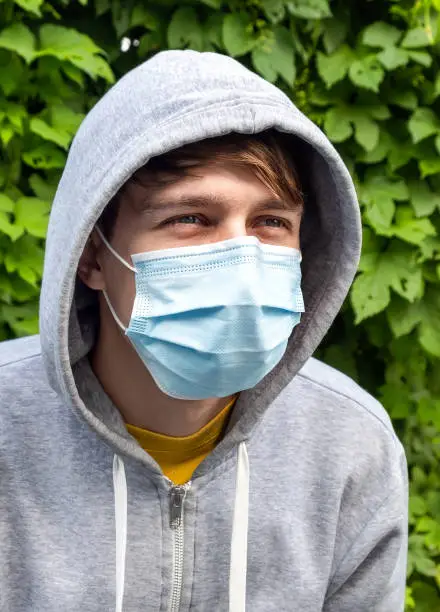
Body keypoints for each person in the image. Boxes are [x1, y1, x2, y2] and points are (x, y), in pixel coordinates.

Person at [0, 50, 408, 611]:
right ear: (93, 256)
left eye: (271, 223)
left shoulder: (350, 445)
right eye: (190, 218)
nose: (241, 260)